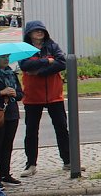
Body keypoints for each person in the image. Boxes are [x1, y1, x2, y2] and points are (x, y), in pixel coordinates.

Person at [18, 20, 71, 176]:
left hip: (54, 95)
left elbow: (61, 63)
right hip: (33, 96)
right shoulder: (24, 48)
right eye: (36, 30)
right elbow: (25, 65)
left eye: (41, 30)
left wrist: (40, 72)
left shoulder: (52, 46)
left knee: (61, 128)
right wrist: (47, 61)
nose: (39, 32)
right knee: (31, 131)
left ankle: (68, 161)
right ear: (29, 33)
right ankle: (31, 164)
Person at [0, 53, 24, 184]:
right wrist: (1, 93)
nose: (6, 59)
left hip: (11, 113)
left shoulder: (11, 73)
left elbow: (20, 93)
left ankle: (5, 173)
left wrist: (15, 93)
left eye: (7, 57)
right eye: (2, 57)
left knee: (8, 145)